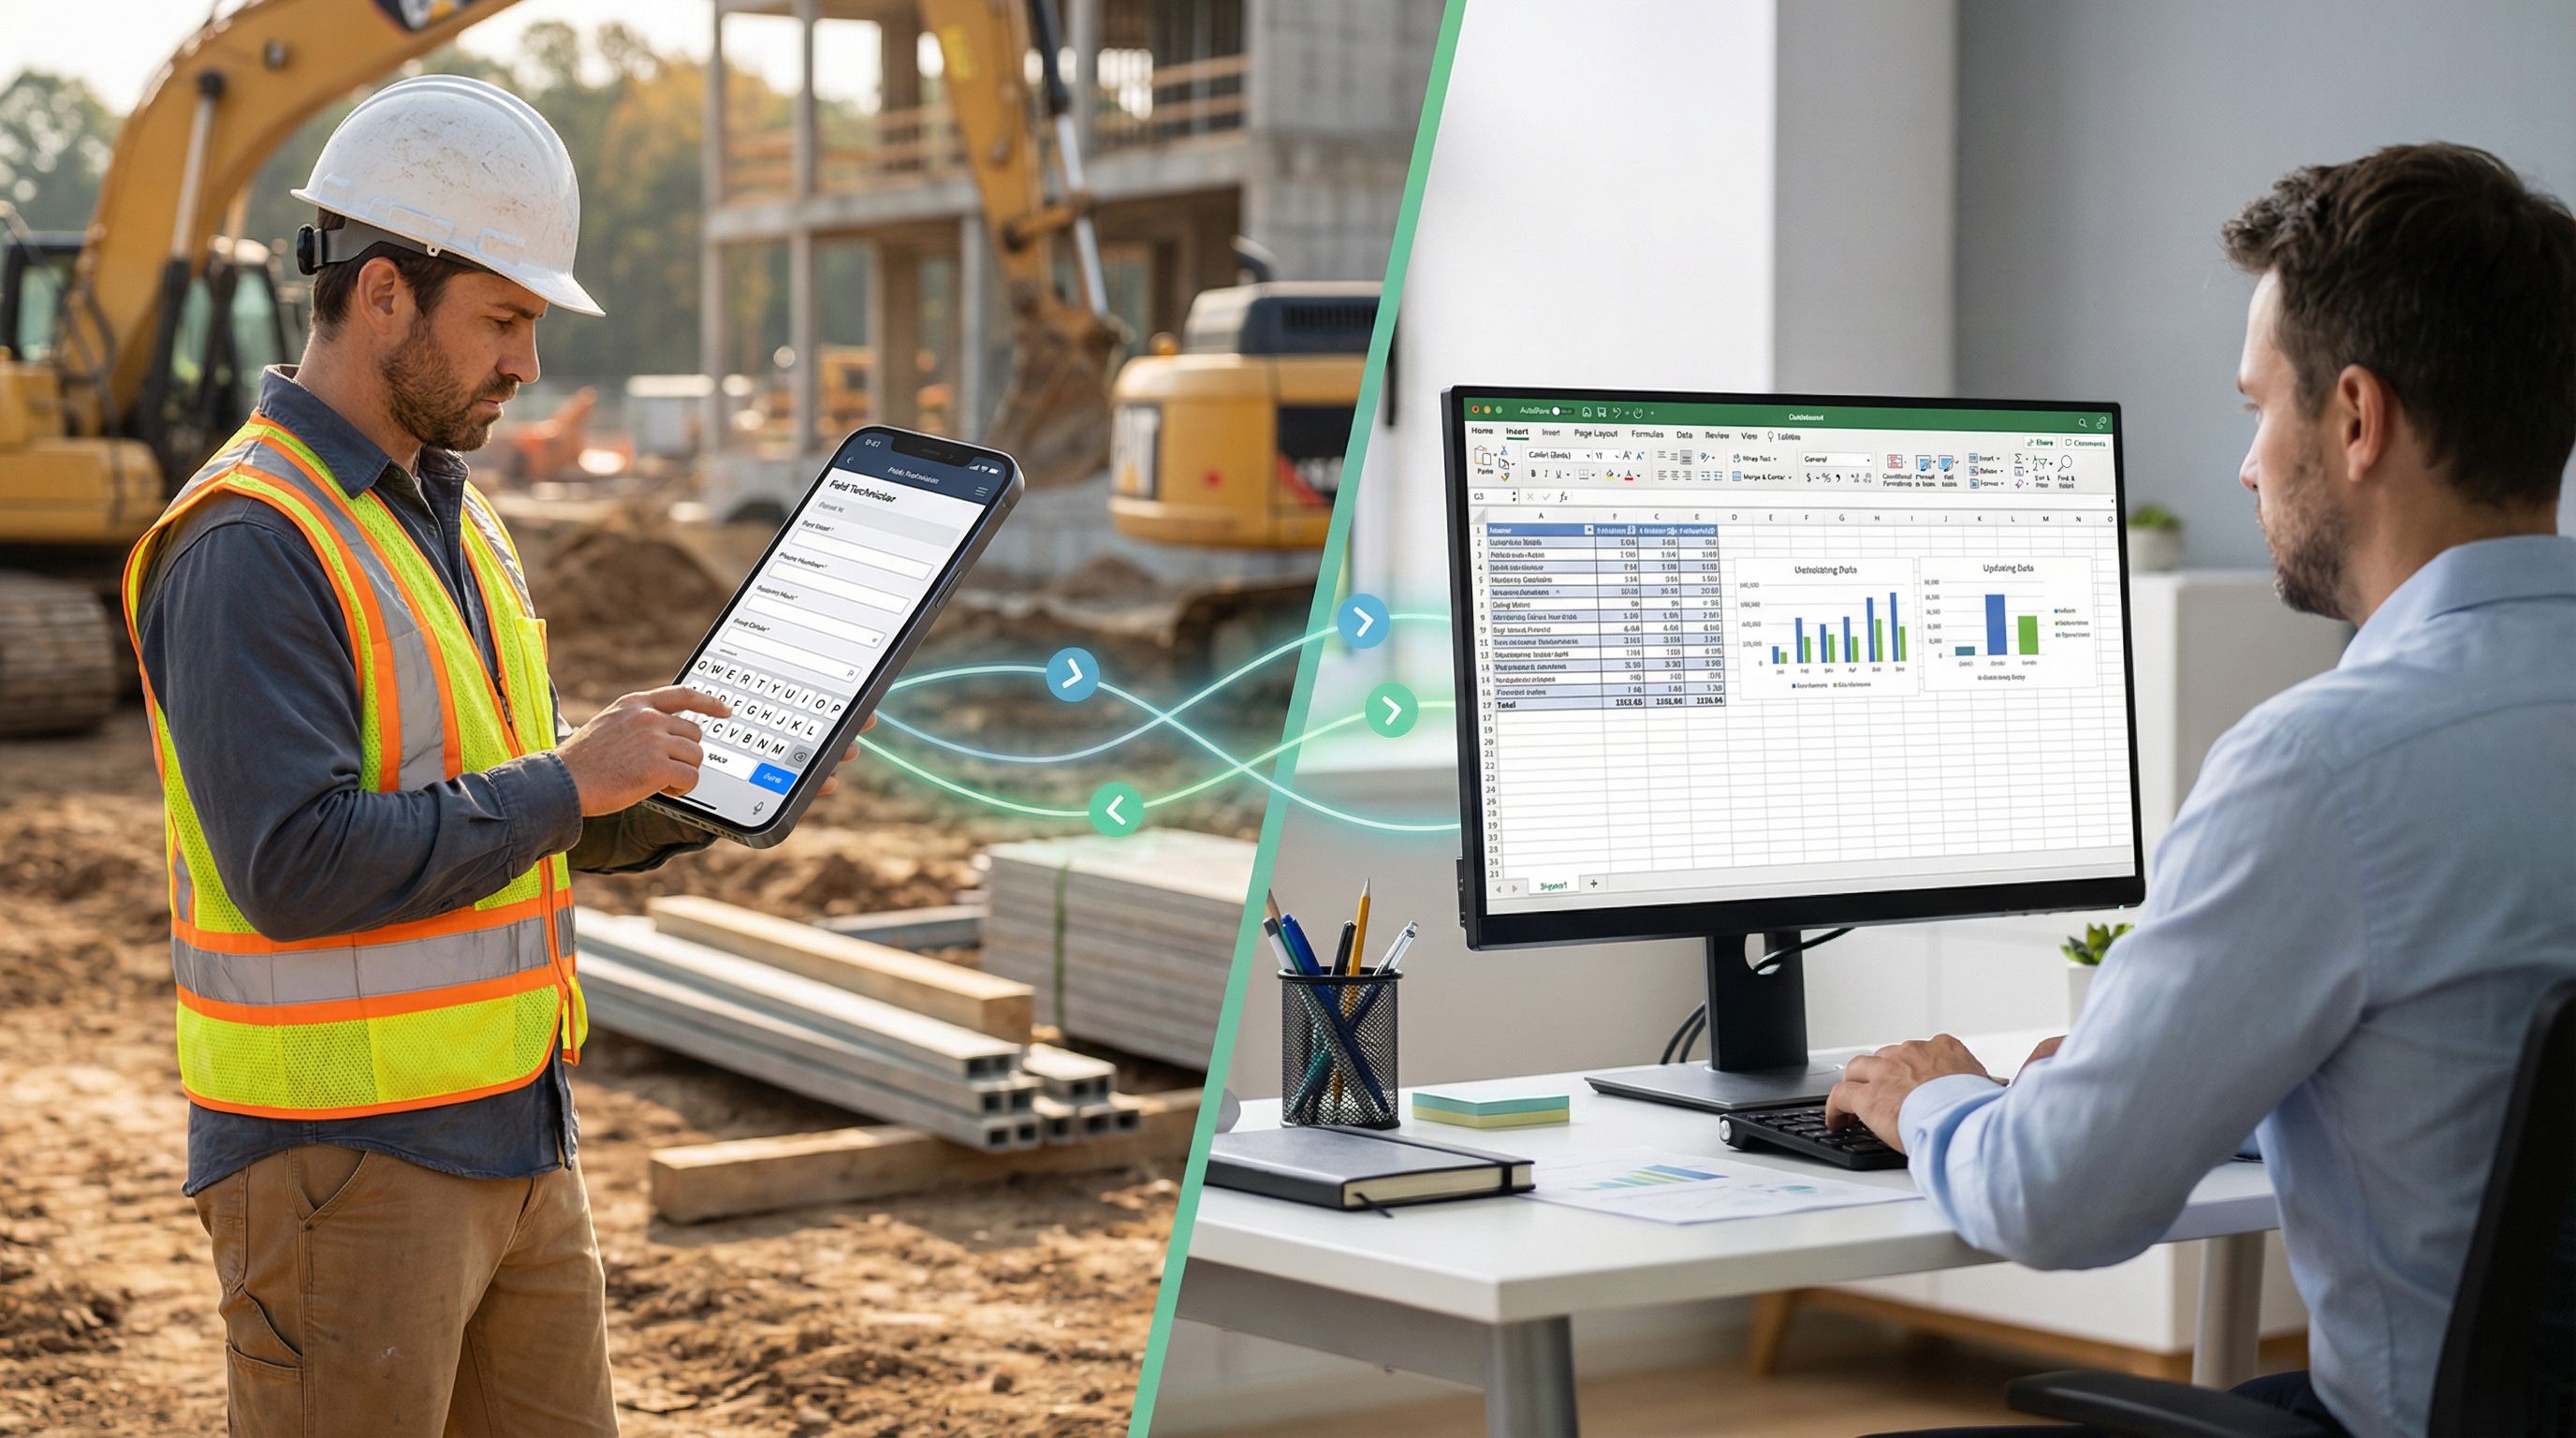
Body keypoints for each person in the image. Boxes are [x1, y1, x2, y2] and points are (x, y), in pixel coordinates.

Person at [123, 76, 848, 1435]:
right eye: (506, 321)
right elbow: (294, 864)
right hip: (342, 1171)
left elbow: (514, 808)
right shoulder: (248, 544)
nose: (529, 364)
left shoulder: (451, 516)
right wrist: (573, 777)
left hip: (516, 1135)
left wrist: (694, 785)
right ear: (384, 293)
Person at [1825, 141, 2576, 1438]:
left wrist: (1937, 1097)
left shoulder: (2326, 771)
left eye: (2255, 408)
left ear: (2354, 418)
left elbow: (2060, 1202)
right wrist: (2163, 1073)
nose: (2244, 464)